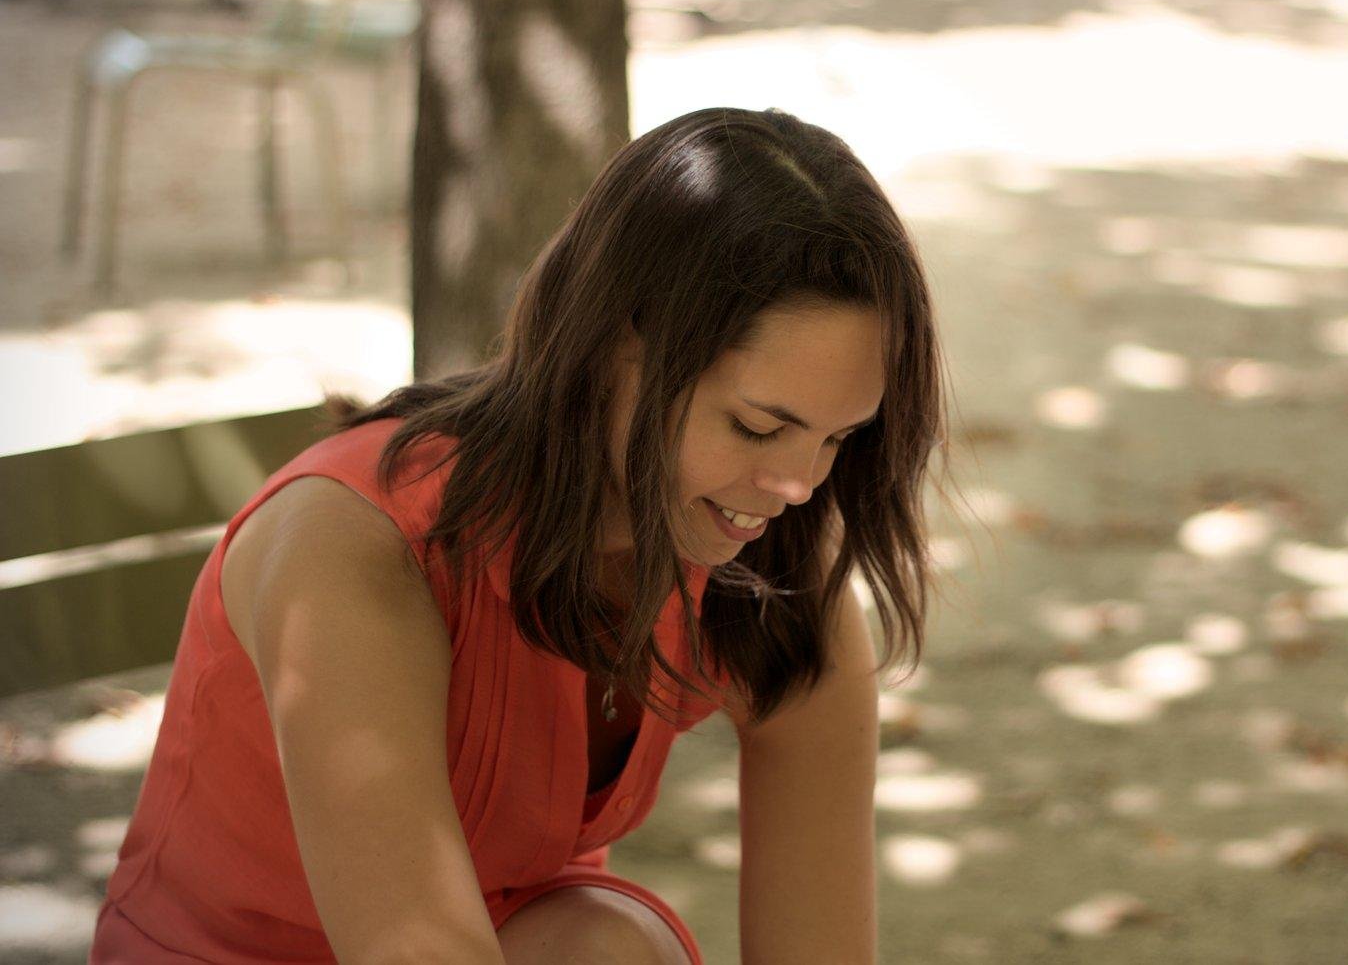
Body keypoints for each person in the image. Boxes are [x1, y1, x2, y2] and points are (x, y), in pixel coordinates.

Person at [89, 105, 949, 964]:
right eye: (759, 427)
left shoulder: (774, 562)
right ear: (617, 344)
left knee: (610, 945)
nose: (800, 487)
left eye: (840, 438)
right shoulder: (354, 551)